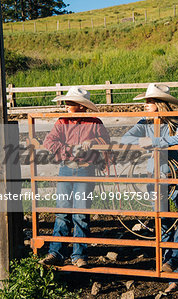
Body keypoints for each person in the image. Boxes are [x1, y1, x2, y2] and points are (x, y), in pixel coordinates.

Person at [121, 83, 178, 293]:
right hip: (155, 176)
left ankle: (174, 258)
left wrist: (152, 141)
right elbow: (127, 138)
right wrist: (157, 141)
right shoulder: (144, 121)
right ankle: (171, 266)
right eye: (146, 101)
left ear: (160, 104)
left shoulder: (175, 120)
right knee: (163, 219)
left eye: (150, 101)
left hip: (175, 174)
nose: (145, 104)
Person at [39, 87, 110, 268]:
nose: (66, 105)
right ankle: (56, 252)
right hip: (67, 168)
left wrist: (92, 142)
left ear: (80, 106)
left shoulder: (94, 123)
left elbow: (106, 142)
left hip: (85, 170)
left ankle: (78, 255)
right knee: (63, 211)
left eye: (70, 103)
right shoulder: (62, 121)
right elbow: (49, 142)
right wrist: (70, 149)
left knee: (80, 212)